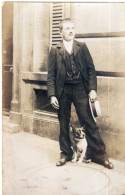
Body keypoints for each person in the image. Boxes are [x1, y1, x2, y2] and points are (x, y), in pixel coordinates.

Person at [47, 18, 114, 169]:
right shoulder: (54, 50)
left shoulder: (82, 46)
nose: (71, 31)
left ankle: (99, 155)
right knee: (63, 123)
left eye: (73, 28)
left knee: (88, 121)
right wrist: (52, 95)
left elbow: (91, 69)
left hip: (79, 88)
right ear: (60, 32)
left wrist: (92, 89)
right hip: (62, 90)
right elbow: (50, 75)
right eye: (67, 28)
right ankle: (65, 154)